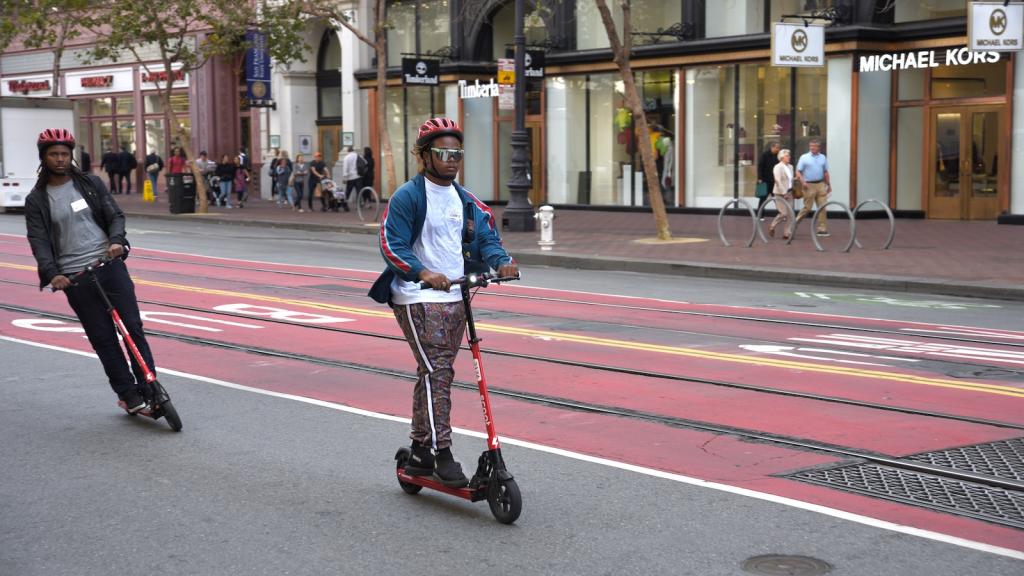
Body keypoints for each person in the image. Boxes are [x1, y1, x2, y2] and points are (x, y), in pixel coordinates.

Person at [368, 117, 518, 488]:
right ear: (425, 156)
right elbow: (392, 244)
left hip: (455, 294)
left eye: (457, 153)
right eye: (444, 152)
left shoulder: (465, 200)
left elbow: (486, 236)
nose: (452, 159)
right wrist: (420, 272)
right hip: (417, 296)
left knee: (434, 372)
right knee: (439, 371)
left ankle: (420, 451)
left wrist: (501, 262)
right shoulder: (408, 196)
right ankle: (441, 452)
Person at [24, 128, 156, 413]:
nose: (60, 159)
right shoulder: (37, 200)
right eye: (53, 155)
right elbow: (39, 241)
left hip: (108, 265)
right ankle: (129, 395)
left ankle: (150, 388)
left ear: (71, 156)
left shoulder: (91, 184)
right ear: (43, 158)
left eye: (64, 154)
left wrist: (117, 241)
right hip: (75, 278)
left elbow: (114, 216)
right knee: (103, 339)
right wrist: (52, 274)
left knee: (132, 328)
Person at [795, 138, 831, 237]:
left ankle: (822, 229)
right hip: (808, 185)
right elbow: (798, 172)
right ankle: (795, 223)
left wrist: (829, 185)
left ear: (819, 147)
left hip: (820, 184)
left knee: (822, 207)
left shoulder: (823, 157)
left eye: (814, 146)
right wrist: (803, 182)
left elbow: (825, 172)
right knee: (807, 208)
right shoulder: (804, 157)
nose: (812, 148)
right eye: (811, 146)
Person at [769, 148, 795, 240]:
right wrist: (784, 192)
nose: (789, 157)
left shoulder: (791, 167)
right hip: (780, 193)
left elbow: (790, 179)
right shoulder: (777, 167)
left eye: (789, 155)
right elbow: (778, 180)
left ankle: (787, 233)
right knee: (783, 213)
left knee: (790, 214)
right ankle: (772, 225)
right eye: (787, 156)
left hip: (790, 192)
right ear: (781, 157)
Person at [757, 141, 781, 215]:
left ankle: (781, 214)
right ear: (772, 147)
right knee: (762, 199)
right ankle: (760, 215)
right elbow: (760, 167)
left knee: (777, 199)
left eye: (779, 148)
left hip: (774, 181)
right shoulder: (765, 155)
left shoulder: (778, 156)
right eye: (777, 148)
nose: (778, 149)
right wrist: (760, 178)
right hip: (764, 181)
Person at [338, 146, 359, 212]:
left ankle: (344, 205)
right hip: (358, 176)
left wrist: (345, 177)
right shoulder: (358, 156)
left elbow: (345, 168)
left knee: (347, 192)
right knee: (359, 191)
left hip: (350, 177)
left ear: (348, 151)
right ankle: (359, 205)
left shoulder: (347, 157)